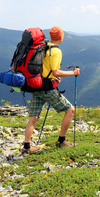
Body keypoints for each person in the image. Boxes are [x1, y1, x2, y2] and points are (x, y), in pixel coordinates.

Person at [22, 26, 80, 154]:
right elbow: (55, 71)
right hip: (46, 88)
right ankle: (62, 141)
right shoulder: (56, 51)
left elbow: (44, 69)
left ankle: (26, 147)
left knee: (34, 116)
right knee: (70, 110)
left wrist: (54, 78)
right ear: (61, 37)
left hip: (36, 85)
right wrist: (73, 72)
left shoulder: (43, 46)